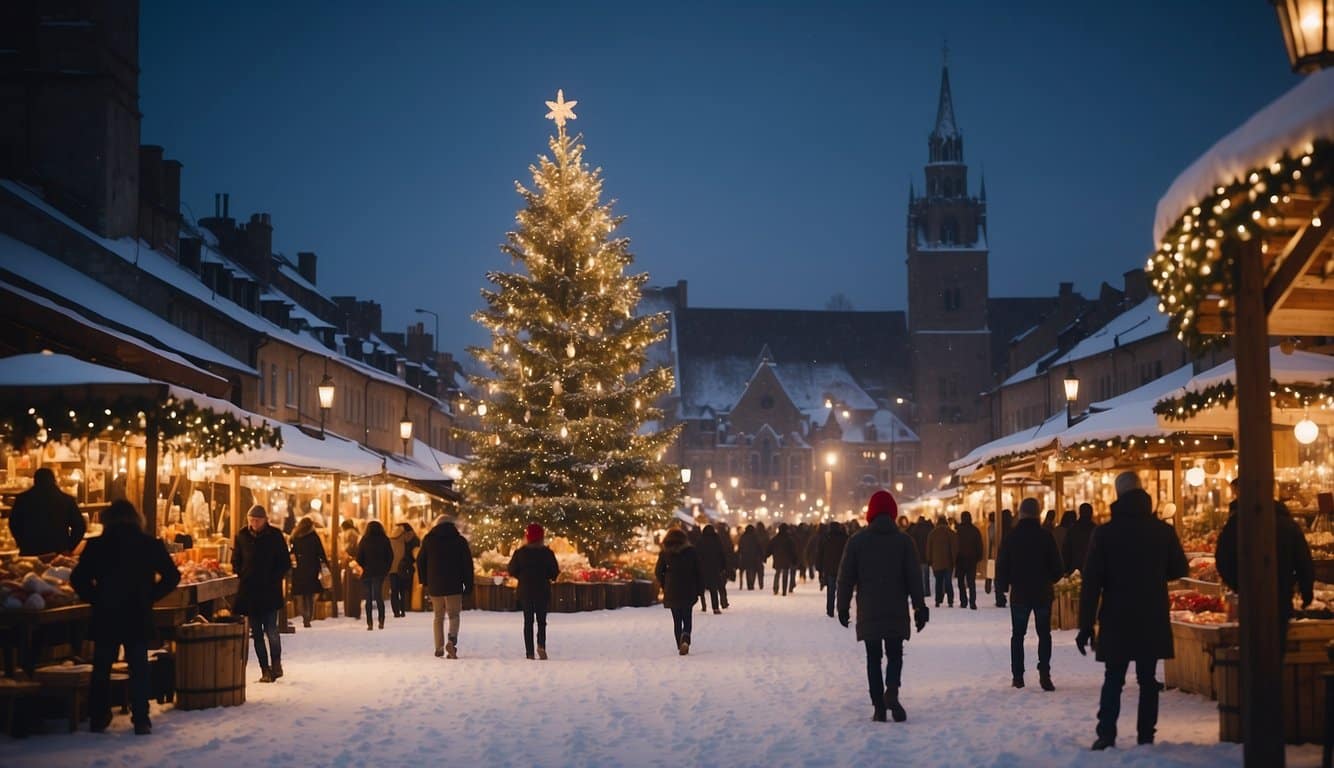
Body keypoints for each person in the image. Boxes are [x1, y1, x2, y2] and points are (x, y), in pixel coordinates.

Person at [1077, 472, 1188, 750]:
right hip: (1151, 613)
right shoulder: (1162, 531)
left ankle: (1106, 733)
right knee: (1148, 679)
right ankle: (1146, 735)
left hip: (1117, 615)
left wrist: (1086, 625)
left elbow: (1091, 583)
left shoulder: (1104, 534)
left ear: (1118, 495)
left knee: (1114, 677)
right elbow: (1179, 569)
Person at [70, 499, 179, 735]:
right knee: (138, 666)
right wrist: (151, 596)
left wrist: (96, 597)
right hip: (137, 612)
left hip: (106, 613)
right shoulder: (149, 544)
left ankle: (98, 716)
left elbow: (78, 578)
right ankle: (141, 718)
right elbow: (172, 576)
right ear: (137, 519)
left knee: (102, 667)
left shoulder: (97, 545)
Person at [837, 490, 928, 723]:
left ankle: (878, 706)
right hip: (896, 609)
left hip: (869, 609)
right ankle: (892, 690)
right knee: (895, 654)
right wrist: (919, 607)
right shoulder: (904, 541)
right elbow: (914, 577)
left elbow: (846, 577)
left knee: (873, 658)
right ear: (893, 513)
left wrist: (843, 606)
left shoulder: (857, 541)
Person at [1214, 495, 1314, 655]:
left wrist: (1237, 584)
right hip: (1280, 596)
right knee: (1276, 646)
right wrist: (1306, 593)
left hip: (1249, 596)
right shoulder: (1289, 525)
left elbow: (1222, 558)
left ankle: (1254, 677)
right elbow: (1304, 562)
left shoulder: (1237, 524)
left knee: (1250, 645)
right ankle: (1273, 677)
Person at [995, 497, 1063, 691]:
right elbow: (1058, 568)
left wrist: (1003, 587)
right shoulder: (1046, 537)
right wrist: (1050, 579)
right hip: (1042, 593)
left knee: (1018, 636)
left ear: (1021, 514)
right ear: (1038, 513)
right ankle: (1044, 673)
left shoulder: (1011, 537)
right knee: (1044, 634)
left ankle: (1018, 676)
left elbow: (1002, 566)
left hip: (1020, 594)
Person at [232, 505, 290, 683]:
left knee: (271, 630)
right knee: (256, 633)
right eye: (251, 520)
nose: (254, 523)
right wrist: (242, 573)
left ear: (265, 520)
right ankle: (264, 669)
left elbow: (284, 562)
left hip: (270, 590)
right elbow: (236, 559)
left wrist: (274, 577)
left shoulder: (275, 536)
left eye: (257, 520)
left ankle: (276, 663)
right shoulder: (242, 536)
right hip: (250, 591)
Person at [417, 515, 474, 659]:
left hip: (435, 584)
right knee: (454, 615)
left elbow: (420, 561)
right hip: (454, 584)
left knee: (438, 616)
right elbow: (467, 565)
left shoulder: (429, 540)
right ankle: (451, 641)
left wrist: (424, 581)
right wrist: (468, 584)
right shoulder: (460, 541)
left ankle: (439, 647)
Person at [508, 523, 560, 659]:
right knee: (542, 621)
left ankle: (529, 652)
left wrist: (522, 576)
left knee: (528, 621)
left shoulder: (520, 553)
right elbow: (554, 572)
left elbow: (511, 570)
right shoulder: (547, 553)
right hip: (542, 590)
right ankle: (541, 645)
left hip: (526, 591)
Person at [9, 467, 85, 555]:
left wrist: (21, 542)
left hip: (30, 550)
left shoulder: (22, 500)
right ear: (54, 480)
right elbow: (80, 526)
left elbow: (14, 524)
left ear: (35, 480)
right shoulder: (66, 500)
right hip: (58, 550)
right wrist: (69, 547)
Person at [655, 527, 704, 655]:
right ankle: (686, 639)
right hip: (688, 588)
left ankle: (679, 643)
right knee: (687, 617)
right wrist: (699, 589)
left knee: (677, 620)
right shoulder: (691, 551)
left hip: (672, 589)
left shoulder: (665, 553)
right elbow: (698, 571)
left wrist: (664, 583)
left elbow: (658, 571)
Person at [289, 516, 328, 628]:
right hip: (312, 568)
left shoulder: (295, 536)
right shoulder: (314, 536)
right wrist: (325, 565)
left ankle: (304, 615)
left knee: (300, 595)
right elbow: (320, 551)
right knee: (309, 595)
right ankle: (308, 617)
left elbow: (291, 552)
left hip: (299, 569)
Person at [356, 520, 393, 631]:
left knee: (368, 598)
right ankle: (381, 621)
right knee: (378, 596)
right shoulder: (385, 540)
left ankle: (369, 623)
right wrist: (385, 569)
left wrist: (363, 566)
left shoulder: (364, 540)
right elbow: (390, 556)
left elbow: (359, 558)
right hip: (379, 572)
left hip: (367, 572)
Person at [817, 520, 849, 618]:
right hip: (841, 569)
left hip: (829, 569)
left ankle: (830, 610)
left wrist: (819, 568)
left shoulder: (826, 539)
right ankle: (841, 609)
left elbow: (820, 554)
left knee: (830, 591)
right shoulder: (845, 538)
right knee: (841, 591)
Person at [388, 521, 420, 618]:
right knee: (403, 590)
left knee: (394, 591)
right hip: (405, 567)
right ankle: (404, 609)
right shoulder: (410, 539)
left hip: (392, 568)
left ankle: (396, 612)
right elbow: (414, 554)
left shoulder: (390, 539)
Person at [695, 524, 727, 614]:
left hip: (703, 567)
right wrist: (723, 566)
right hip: (715, 567)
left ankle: (703, 605)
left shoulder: (700, 540)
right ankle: (715, 608)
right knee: (714, 588)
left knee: (702, 587)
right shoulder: (716, 540)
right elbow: (722, 553)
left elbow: (696, 554)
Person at [954, 510, 984, 610]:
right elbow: (979, 545)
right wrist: (979, 556)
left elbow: (955, 546)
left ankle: (963, 601)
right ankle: (972, 602)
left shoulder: (958, 531)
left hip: (960, 560)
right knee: (971, 582)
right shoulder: (975, 530)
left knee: (961, 582)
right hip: (972, 560)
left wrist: (955, 558)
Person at [926, 515, 957, 608]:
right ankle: (950, 601)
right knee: (948, 582)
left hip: (937, 562)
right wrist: (954, 560)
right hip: (948, 562)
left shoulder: (932, 533)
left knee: (938, 582)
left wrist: (929, 560)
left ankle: (938, 600)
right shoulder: (950, 532)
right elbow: (954, 547)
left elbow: (928, 548)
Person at [1062, 503, 1095, 575]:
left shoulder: (1073, 529)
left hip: (1074, 568)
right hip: (1092, 570)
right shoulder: (1095, 529)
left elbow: (1066, 550)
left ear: (1080, 513)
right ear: (1091, 513)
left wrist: (1066, 569)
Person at [767, 523, 799, 596]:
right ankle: (784, 590)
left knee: (777, 574)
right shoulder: (789, 539)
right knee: (785, 575)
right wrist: (794, 559)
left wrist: (766, 556)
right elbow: (793, 550)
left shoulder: (775, 538)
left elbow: (770, 548)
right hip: (787, 560)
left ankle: (775, 588)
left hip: (777, 558)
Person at [340, 519, 362, 619]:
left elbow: (349, 548)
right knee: (354, 588)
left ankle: (351, 610)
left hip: (351, 562)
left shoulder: (350, 534)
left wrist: (345, 554)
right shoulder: (355, 533)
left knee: (351, 588)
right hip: (354, 562)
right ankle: (354, 610)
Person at [908, 515, 933, 599]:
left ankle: (921, 591)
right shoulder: (928, 529)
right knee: (926, 575)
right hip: (926, 555)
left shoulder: (915, 529)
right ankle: (927, 591)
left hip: (917, 555)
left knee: (919, 575)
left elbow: (909, 536)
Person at [738, 524, 764, 590]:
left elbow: (740, 546)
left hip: (745, 557)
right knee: (753, 571)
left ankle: (749, 585)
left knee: (748, 571)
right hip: (754, 557)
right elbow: (759, 546)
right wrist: (762, 555)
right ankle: (751, 584)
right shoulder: (755, 536)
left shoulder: (743, 536)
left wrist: (740, 554)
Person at [716, 522, 736, 608]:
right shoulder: (727, 538)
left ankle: (715, 604)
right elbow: (731, 551)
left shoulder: (715, 538)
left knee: (716, 585)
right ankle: (724, 601)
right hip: (726, 563)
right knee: (722, 584)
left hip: (716, 563)